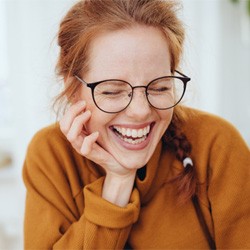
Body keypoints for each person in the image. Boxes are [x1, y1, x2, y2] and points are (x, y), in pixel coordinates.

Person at [22, 0, 250, 249]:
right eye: (112, 91)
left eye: (159, 87)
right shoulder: (51, 156)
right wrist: (118, 181)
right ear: (72, 89)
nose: (141, 111)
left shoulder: (217, 145)